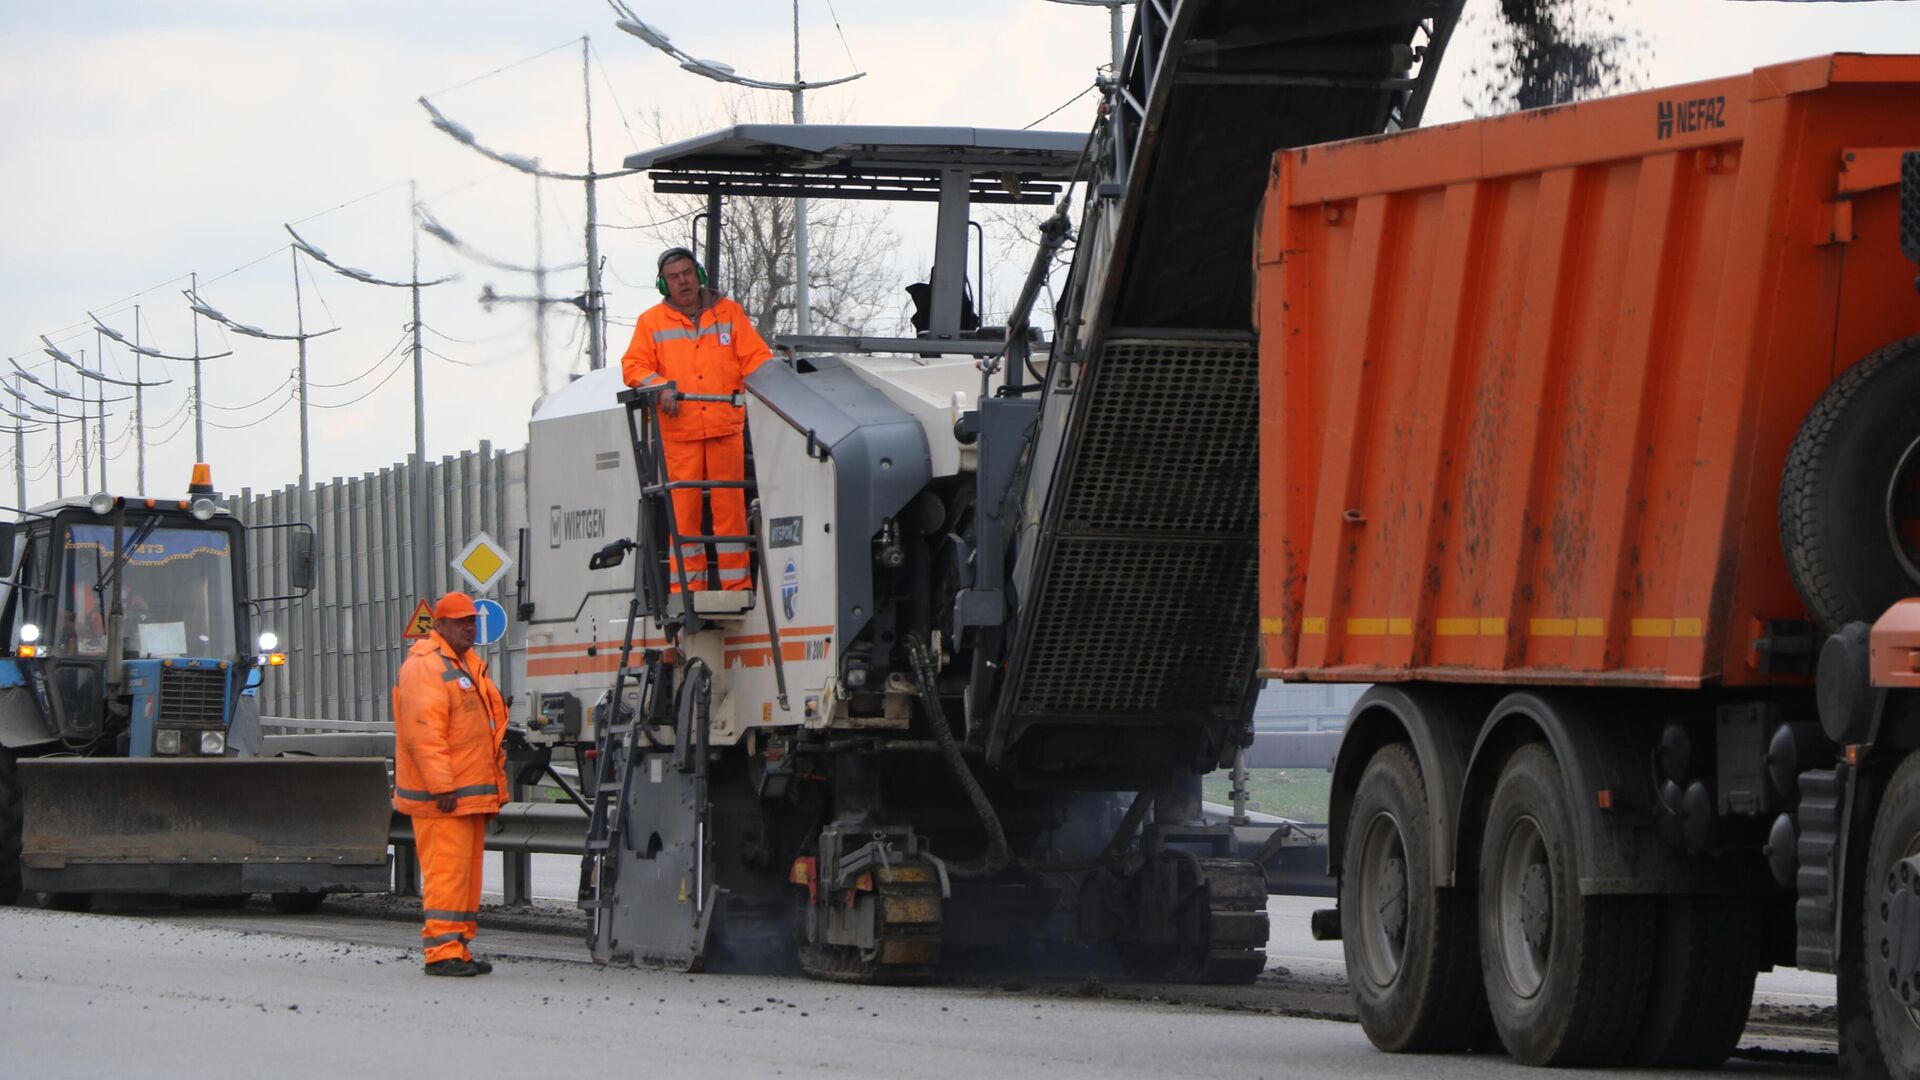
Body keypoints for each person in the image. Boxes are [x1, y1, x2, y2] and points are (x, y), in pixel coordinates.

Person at [620, 247, 772, 592]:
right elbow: (633, 367)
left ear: (699, 274)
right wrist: (660, 387)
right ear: (664, 284)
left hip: (725, 428)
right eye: (674, 278)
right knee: (683, 515)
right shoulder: (651, 323)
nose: (683, 282)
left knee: (730, 512)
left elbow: (756, 359)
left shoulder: (729, 314)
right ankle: (689, 591)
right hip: (679, 434)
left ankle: (735, 589)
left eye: (687, 273)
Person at [391, 591, 508, 977]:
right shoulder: (427, 666)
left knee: (465, 876)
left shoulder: (466, 662)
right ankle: (442, 952)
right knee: (447, 874)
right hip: (444, 798)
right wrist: (441, 787)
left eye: (472, 621)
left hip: (467, 795)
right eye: (460, 621)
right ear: (438, 625)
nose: (468, 627)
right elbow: (424, 733)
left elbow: (484, 731)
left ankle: (457, 946)